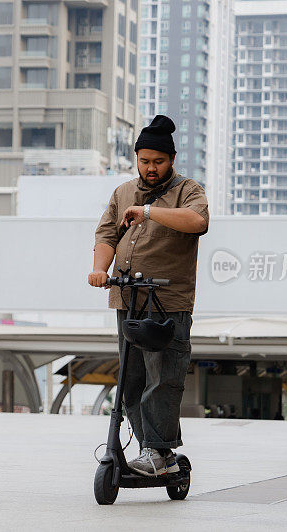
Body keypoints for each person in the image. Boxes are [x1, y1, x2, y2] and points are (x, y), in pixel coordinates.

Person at [89, 115, 209, 476]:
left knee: (164, 379)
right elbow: (107, 235)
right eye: (144, 161)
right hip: (129, 299)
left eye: (158, 161)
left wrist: (150, 212)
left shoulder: (188, 189)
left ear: (171, 160)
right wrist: (99, 269)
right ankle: (156, 453)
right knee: (131, 381)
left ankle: (159, 452)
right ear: (136, 158)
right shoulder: (122, 192)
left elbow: (197, 222)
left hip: (168, 302)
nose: (151, 168)